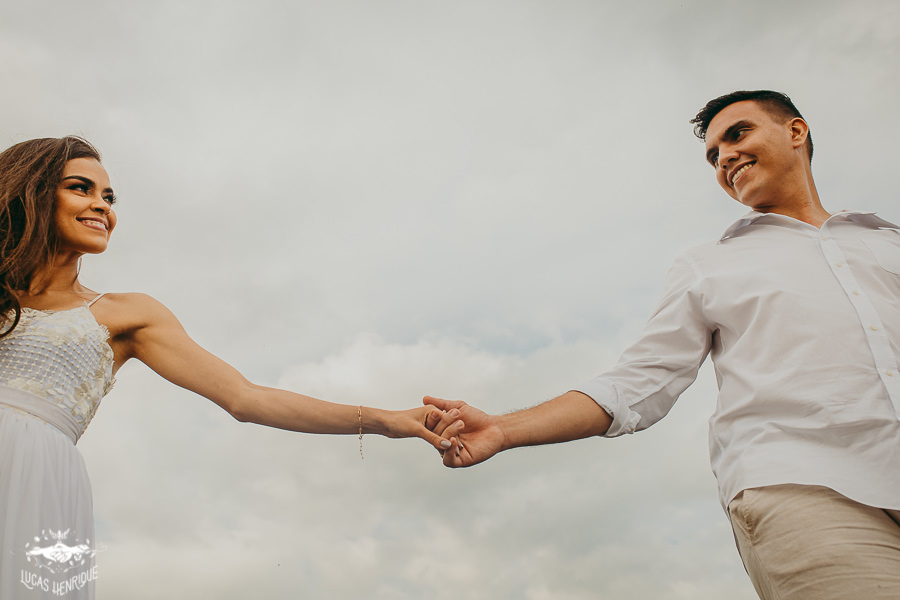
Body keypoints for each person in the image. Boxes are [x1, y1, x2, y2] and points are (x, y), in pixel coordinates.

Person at [426, 90, 900, 599]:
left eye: (737, 134)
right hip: (806, 487)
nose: (725, 159)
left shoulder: (888, 242)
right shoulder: (709, 265)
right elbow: (638, 385)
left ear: (796, 132)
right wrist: (502, 427)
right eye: (714, 156)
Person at [0, 136, 451, 600]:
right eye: (82, 188)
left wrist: (386, 420)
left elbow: (246, 398)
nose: (103, 206)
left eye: (109, 197)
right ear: (32, 193)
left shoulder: (128, 314)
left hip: (36, 477)